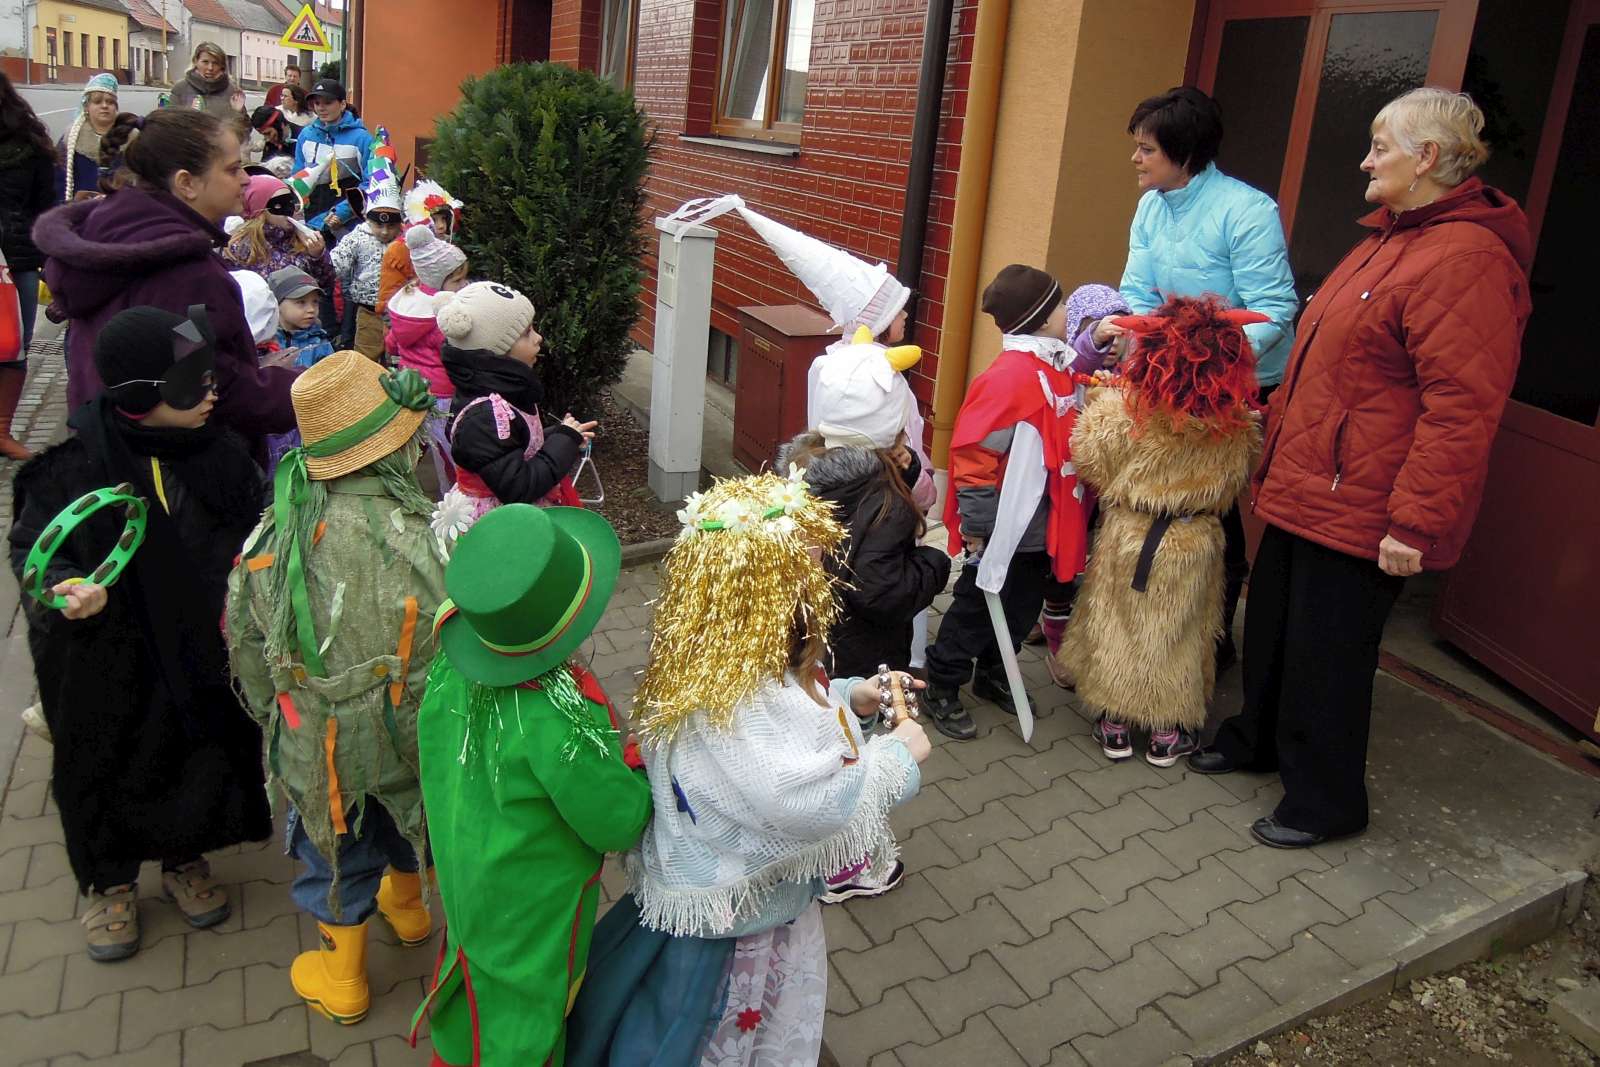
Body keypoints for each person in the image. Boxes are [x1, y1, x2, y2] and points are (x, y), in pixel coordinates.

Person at [1188, 88, 1533, 848]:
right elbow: (1334, 367)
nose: (1366, 162)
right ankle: (1257, 741)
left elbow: (1462, 409)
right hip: (1309, 484)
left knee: (1328, 656)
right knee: (1273, 626)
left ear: (1428, 158)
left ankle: (1326, 801)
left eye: (1381, 148)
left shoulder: (1468, 260)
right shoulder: (1389, 240)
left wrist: (1416, 521)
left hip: (1366, 500)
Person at [565, 470, 931, 1066]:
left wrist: (849, 697)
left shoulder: (713, 658)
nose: (821, 585)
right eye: (807, 574)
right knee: (727, 1034)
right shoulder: (744, 700)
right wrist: (894, 761)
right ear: (760, 594)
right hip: (737, 927)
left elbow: (793, 724)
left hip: (718, 896)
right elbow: (799, 800)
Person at [8, 305, 273, 961]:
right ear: (143, 394)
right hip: (107, 653)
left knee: (195, 746)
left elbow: (257, 526)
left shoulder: (220, 455)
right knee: (107, 758)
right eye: (193, 384)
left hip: (195, 642)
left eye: (209, 378)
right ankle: (111, 880)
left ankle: (184, 855)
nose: (211, 394)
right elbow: (36, 548)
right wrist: (67, 585)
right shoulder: (71, 471)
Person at [228, 353, 446, 1024]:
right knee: (410, 818)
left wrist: (274, 712)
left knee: (336, 846)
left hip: (319, 740)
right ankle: (410, 910)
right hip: (413, 733)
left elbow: (247, 643)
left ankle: (344, 978)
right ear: (395, 450)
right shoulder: (428, 535)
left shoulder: (275, 538)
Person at [408, 502, 650, 1065]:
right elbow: (618, 821)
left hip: (467, 872)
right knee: (525, 1013)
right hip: (533, 902)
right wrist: (636, 765)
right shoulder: (556, 717)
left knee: (472, 975)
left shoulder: (449, 669)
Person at [1102, 87, 1299, 671]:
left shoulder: (1247, 210)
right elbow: (1138, 290)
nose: (1135, 159)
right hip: (1169, 376)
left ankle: (1214, 634)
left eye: (1146, 150)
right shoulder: (1151, 206)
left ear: (1184, 153)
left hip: (1236, 382)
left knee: (1213, 504)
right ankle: (1153, 620)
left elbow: (1273, 309)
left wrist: (1206, 364)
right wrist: (1133, 338)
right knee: (1171, 493)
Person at [1058, 297, 1263, 766]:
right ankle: (1167, 733)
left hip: (1129, 532)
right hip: (1195, 539)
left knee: (1118, 620)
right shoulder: (1235, 426)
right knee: (1180, 630)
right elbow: (1233, 484)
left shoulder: (1123, 412)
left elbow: (1089, 461)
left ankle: (1114, 723)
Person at [34, 109, 299, 455]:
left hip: (110, 450)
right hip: (176, 466)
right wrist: (302, 390)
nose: (246, 180)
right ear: (187, 183)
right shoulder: (183, 273)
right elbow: (205, 384)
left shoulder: (112, 227)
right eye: (233, 169)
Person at [921, 265, 1091, 740]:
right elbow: (974, 455)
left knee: (1020, 609)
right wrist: (978, 527)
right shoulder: (1010, 378)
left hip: (1042, 529)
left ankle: (996, 672)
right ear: (1041, 318)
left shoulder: (1055, 368)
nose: (1067, 312)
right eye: (1060, 304)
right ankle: (942, 683)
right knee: (975, 609)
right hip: (1004, 529)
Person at [432, 281, 594, 536]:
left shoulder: (501, 393)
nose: (538, 338)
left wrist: (564, 436)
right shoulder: (485, 416)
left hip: (516, 515)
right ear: (497, 352)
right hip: (501, 528)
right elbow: (519, 487)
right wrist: (563, 441)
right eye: (527, 333)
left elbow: (514, 448)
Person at [0, 72, 55, 459]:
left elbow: (44, 207)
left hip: (15, 257)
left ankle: (2, 431)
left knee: (14, 345)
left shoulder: (27, 144)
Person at [385, 225, 468, 399]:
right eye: (457, 280)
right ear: (436, 281)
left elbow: (391, 343)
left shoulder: (408, 306)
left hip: (410, 384)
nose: (464, 285)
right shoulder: (441, 315)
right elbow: (455, 354)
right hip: (443, 390)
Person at [292, 79, 374, 237]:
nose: (321, 108)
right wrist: (296, 202)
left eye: (328, 102)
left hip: (346, 222)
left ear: (342, 104)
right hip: (310, 219)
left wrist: (342, 212)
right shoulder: (306, 134)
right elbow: (298, 174)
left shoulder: (362, 138)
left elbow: (370, 182)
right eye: (317, 103)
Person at [224, 174, 334, 289]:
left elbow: (326, 285)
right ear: (259, 210)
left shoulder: (302, 240)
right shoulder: (239, 248)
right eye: (278, 205)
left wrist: (317, 256)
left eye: (290, 202)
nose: (289, 210)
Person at [330, 189, 401, 358]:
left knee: (398, 357)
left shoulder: (405, 240)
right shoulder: (357, 238)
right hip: (368, 312)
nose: (385, 232)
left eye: (391, 226)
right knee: (366, 356)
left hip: (400, 313)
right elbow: (337, 265)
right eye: (379, 225)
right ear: (368, 220)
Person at [377, 179, 465, 314]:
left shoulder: (446, 246)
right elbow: (389, 296)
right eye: (434, 220)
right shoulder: (399, 250)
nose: (441, 226)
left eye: (443, 219)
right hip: (406, 313)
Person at [54, 73, 122, 202]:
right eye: (97, 101)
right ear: (86, 107)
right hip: (81, 209)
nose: (104, 106)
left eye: (110, 102)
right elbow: (59, 181)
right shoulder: (71, 138)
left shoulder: (130, 137)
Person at [270, 266, 336, 368]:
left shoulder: (321, 344)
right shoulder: (264, 344)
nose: (311, 309)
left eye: (315, 302)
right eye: (301, 302)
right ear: (277, 304)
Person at [168, 42, 244, 119]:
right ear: (195, 61)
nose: (210, 68)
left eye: (215, 63)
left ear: (222, 66)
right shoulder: (181, 88)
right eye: (205, 62)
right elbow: (170, 121)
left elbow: (244, 125)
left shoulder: (232, 90)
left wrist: (239, 113)